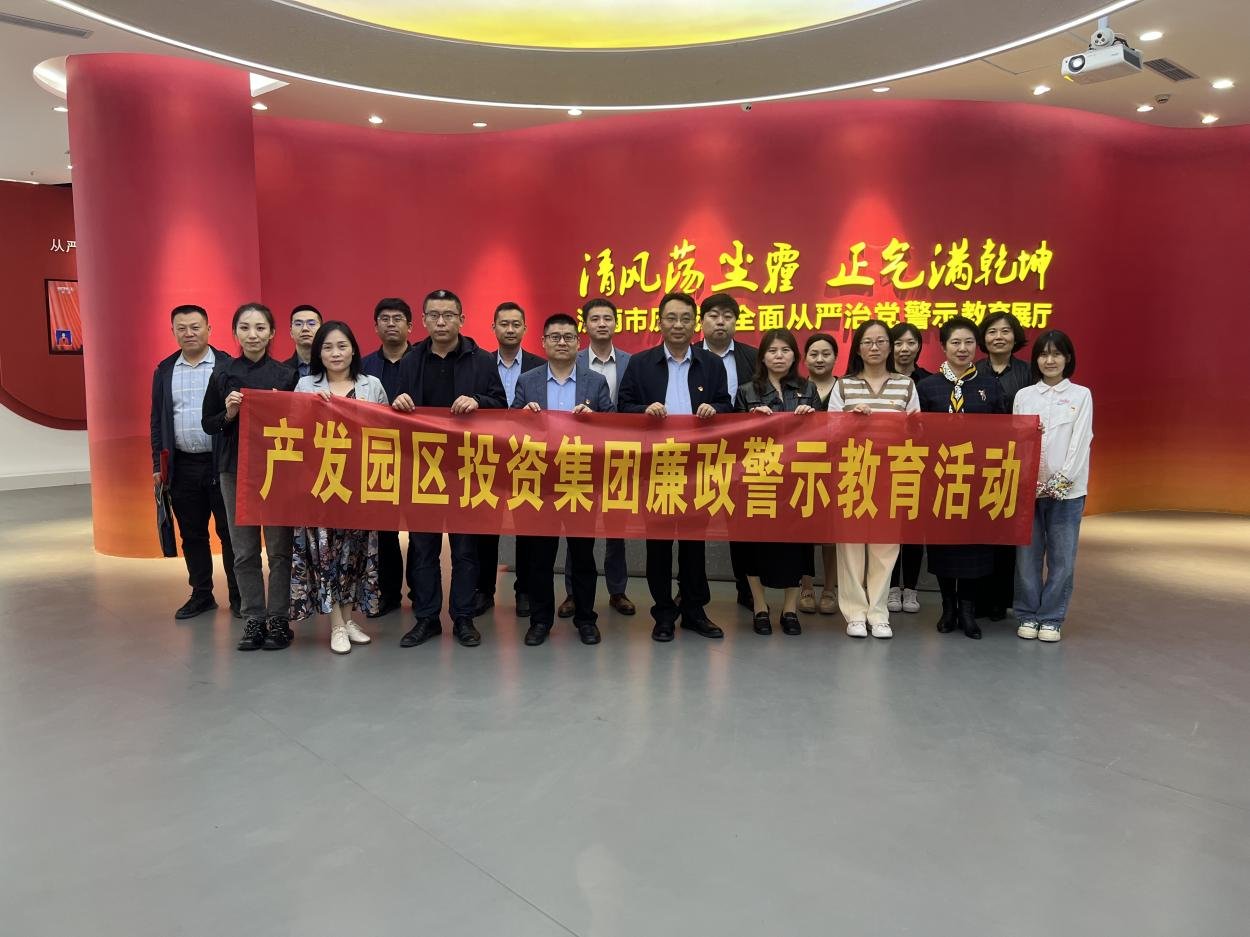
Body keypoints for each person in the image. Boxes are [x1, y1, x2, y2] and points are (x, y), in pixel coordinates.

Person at [391, 289, 508, 648]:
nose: (441, 322)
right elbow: (394, 414)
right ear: (423, 321)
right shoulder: (410, 360)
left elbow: (502, 406)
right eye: (434, 315)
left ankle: (463, 618)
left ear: (462, 319)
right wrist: (398, 402)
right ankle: (426, 618)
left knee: (465, 550)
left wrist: (478, 401)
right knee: (423, 548)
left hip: (466, 469)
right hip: (422, 469)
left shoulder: (482, 360)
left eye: (448, 315)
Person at [618, 291, 732, 643]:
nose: (678, 324)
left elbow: (727, 406)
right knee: (659, 545)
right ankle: (664, 613)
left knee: (694, 544)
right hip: (657, 467)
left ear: (694, 323)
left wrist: (715, 409)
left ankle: (695, 610)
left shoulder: (710, 363)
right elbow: (623, 407)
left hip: (698, 469)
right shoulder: (641, 363)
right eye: (671, 318)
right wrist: (643, 411)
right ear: (660, 322)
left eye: (685, 318)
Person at [201, 302, 299, 651]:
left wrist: (280, 408)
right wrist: (229, 413)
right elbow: (208, 424)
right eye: (245, 328)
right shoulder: (223, 373)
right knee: (243, 549)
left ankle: (279, 618)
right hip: (235, 470)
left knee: (279, 549)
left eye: (260, 328)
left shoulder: (286, 375)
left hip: (276, 469)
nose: (253, 335)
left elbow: (301, 425)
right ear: (235, 333)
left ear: (272, 333)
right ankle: (253, 617)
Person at [511, 313, 614, 646]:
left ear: (578, 342)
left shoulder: (595, 382)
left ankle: (586, 619)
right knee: (540, 558)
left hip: (580, 481)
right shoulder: (527, 381)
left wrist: (596, 421)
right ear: (543, 342)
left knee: (583, 556)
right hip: (540, 482)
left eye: (568, 337)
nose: (561, 343)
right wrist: (522, 417)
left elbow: (615, 427)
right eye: (554, 337)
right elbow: (507, 426)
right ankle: (541, 621)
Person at [291, 321, 387, 652]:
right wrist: (310, 407)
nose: (335, 353)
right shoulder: (305, 385)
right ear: (318, 353)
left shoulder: (372, 384)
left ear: (353, 350)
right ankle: (335, 625)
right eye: (328, 347)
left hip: (360, 486)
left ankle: (347, 620)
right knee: (326, 555)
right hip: (320, 486)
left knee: (354, 555)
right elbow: (292, 433)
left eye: (342, 346)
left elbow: (387, 430)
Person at [916, 316, 1006, 640]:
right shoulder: (927, 387)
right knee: (944, 546)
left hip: (977, 480)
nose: (962, 348)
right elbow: (917, 435)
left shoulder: (989, 385)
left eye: (968, 342)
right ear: (943, 346)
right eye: (955, 342)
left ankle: (968, 611)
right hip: (939, 480)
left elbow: (1003, 431)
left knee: (974, 546)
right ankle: (948, 608)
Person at [150, 304, 240, 620]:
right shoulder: (164, 370)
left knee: (230, 534)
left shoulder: (227, 366)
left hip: (222, 464)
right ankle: (202, 595)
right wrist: (158, 465)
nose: (189, 333)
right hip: (183, 466)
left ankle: (239, 596)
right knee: (192, 534)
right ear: (173, 332)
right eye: (182, 328)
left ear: (209, 329)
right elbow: (157, 421)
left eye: (195, 327)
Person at [830, 320, 919, 639]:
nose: (875, 347)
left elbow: (918, 432)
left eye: (882, 341)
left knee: (886, 546)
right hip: (853, 472)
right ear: (857, 348)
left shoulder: (906, 385)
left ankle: (879, 613)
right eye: (868, 342)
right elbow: (829, 432)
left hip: (892, 474)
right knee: (851, 545)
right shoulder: (844, 386)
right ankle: (855, 612)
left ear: (890, 347)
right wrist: (851, 421)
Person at [733, 328, 818, 636]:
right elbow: (732, 441)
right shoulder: (746, 391)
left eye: (785, 350)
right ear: (762, 357)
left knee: (796, 547)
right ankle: (759, 607)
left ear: (795, 356)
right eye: (772, 351)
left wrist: (812, 417)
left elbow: (824, 437)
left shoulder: (808, 388)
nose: (779, 356)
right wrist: (750, 421)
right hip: (757, 481)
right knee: (754, 545)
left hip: (795, 481)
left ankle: (790, 610)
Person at [1012, 330, 1093, 643]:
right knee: (1026, 558)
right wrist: (1028, 479)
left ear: (1067, 358)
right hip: (1028, 490)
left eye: (1056, 354)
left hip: (1067, 493)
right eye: (1044, 354)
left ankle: (1051, 618)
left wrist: (1061, 480)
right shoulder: (1024, 396)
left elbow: (1081, 440)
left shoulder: (1081, 395)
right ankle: (1027, 614)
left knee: (1062, 559)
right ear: (1036, 359)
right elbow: (1017, 441)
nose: (1050, 360)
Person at [559, 298, 635, 618]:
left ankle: (618, 590)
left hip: (619, 455)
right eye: (595, 319)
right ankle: (573, 593)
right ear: (585, 325)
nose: (602, 323)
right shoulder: (570, 360)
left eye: (607, 318)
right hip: (580, 455)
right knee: (577, 529)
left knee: (617, 527)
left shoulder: (632, 362)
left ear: (616, 323)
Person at [474, 302, 546, 619]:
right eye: (504, 324)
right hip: (487, 453)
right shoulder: (480, 364)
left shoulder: (540, 366)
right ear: (494, 327)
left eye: (516, 324)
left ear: (525, 328)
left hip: (527, 455)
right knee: (485, 524)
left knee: (526, 525)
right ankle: (484, 590)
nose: (510, 329)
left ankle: (524, 591)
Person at [699, 292, 759, 609]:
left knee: (741, 523)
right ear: (702, 321)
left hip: (744, 454)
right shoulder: (687, 355)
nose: (720, 322)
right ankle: (692, 589)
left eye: (727, 316)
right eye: (714, 315)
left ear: (736, 322)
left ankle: (745, 587)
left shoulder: (753, 357)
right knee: (695, 524)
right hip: (698, 454)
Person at [975, 310, 1032, 621]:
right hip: (977, 464)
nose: (998, 337)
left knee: (1006, 534)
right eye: (992, 331)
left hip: (1014, 462)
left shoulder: (1028, 373)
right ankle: (979, 597)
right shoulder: (972, 372)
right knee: (980, 531)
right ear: (983, 338)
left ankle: (1001, 599)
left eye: (1005, 331)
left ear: (1015, 337)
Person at [360, 297, 414, 618]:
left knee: (422, 529)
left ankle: (421, 594)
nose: (391, 324)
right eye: (385, 318)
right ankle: (389, 593)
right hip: (377, 457)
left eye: (397, 318)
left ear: (411, 325)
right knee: (383, 530)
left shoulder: (422, 360)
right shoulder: (363, 366)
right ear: (376, 326)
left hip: (419, 457)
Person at [887, 322, 931, 616]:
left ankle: (911, 588)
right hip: (884, 465)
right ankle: (891, 587)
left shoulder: (927, 382)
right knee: (890, 529)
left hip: (918, 464)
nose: (904, 349)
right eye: (898, 343)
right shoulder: (881, 378)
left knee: (913, 528)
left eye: (911, 343)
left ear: (919, 346)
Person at [800, 332, 839, 615]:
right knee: (804, 531)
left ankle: (829, 589)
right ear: (805, 359)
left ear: (836, 358)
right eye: (814, 354)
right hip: (803, 468)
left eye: (826, 354)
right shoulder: (796, 388)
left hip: (838, 469)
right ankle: (806, 588)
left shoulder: (845, 387)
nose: (820, 359)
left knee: (831, 534)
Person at [285, 304, 322, 378]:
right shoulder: (281, 371)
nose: (305, 328)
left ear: (321, 330)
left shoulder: (331, 367)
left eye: (311, 324)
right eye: (298, 324)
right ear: (291, 332)